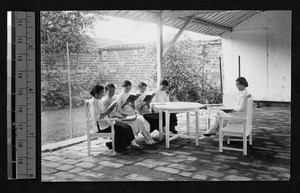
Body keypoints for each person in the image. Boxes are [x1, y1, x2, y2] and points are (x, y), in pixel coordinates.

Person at [88, 84, 138, 152]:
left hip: (106, 122)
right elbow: (95, 117)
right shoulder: (92, 102)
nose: (102, 94)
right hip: (100, 126)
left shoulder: (99, 101)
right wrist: (106, 113)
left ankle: (117, 145)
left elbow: (104, 112)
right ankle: (119, 146)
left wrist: (108, 111)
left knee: (127, 126)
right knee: (122, 129)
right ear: (96, 93)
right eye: (101, 93)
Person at [115, 80, 156, 144]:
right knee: (141, 121)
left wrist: (133, 103)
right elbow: (118, 109)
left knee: (144, 121)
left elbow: (133, 108)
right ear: (123, 87)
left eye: (129, 88)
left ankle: (149, 138)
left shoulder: (129, 95)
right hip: (126, 114)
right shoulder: (119, 96)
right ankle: (147, 139)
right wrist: (125, 103)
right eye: (127, 88)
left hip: (132, 112)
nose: (128, 90)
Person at [102, 83, 140, 147]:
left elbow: (118, 110)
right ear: (106, 91)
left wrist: (123, 115)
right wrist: (118, 117)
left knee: (135, 121)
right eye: (110, 91)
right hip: (112, 119)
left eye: (113, 91)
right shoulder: (104, 101)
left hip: (118, 116)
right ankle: (130, 142)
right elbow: (107, 114)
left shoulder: (114, 99)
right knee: (127, 126)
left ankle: (129, 142)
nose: (112, 92)